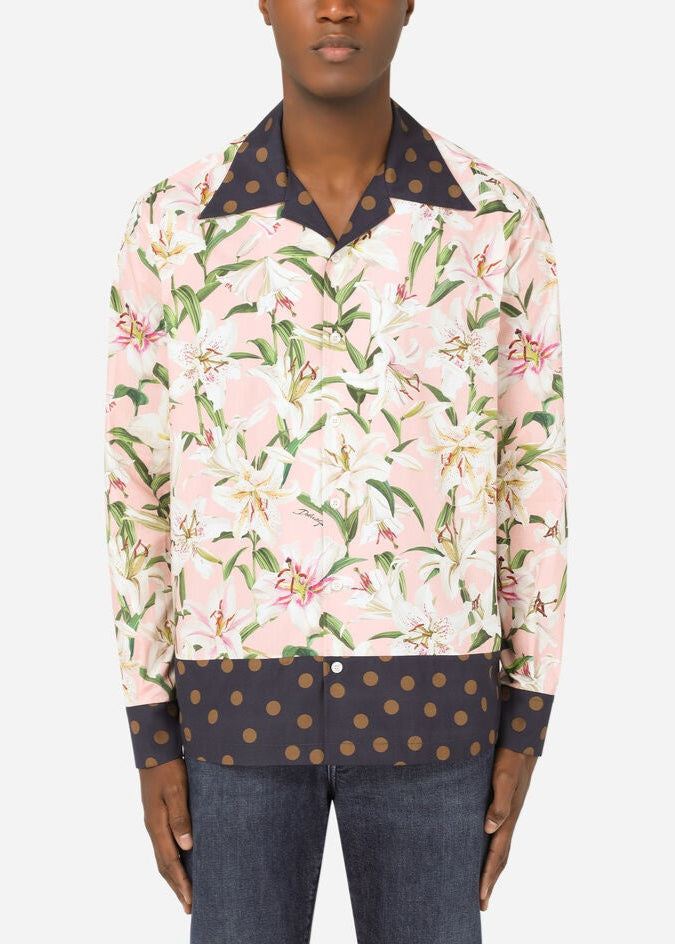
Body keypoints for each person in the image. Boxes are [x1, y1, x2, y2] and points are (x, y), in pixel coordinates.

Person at [103, 2, 568, 941]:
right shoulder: (173, 223)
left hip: (436, 717)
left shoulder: (494, 221)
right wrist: (150, 727)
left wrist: (525, 722)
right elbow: (136, 485)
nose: (336, 5)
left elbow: (531, 475)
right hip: (230, 718)